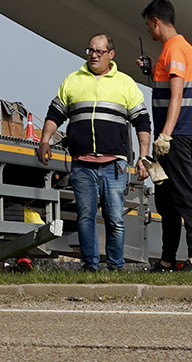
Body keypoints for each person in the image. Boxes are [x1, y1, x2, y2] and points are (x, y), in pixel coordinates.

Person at [37, 33, 153, 272]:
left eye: (100, 51)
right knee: (85, 217)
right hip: (82, 163)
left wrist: (144, 157)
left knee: (115, 219)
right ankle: (90, 265)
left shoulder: (125, 83)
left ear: (111, 54)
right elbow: (55, 113)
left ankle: (115, 266)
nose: (94, 55)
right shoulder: (73, 80)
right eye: (90, 50)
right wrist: (45, 140)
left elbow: (142, 121)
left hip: (115, 165)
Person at [135, 0, 192, 270]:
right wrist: (154, 68)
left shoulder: (175, 49)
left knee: (184, 196)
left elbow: (177, 96)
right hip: (174, 135)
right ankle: (167, 259)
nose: (149, 33)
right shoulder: (177, 49)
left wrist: (164, 135)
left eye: (148, 26)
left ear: (156, 21)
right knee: (166, 199)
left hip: (175, 137)